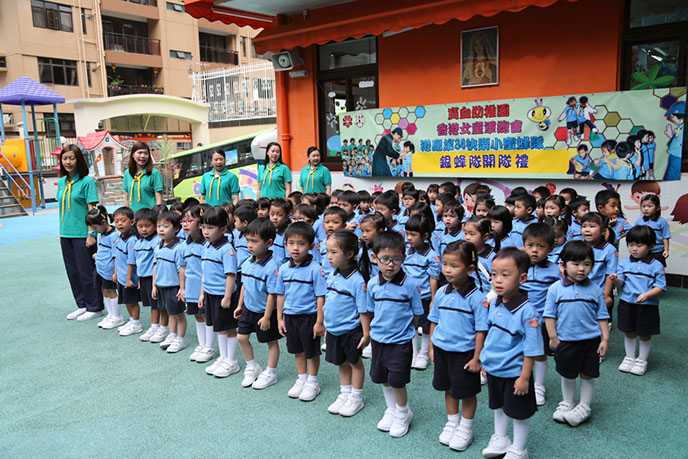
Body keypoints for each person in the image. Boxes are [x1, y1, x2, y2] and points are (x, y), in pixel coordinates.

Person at [480, 248, 543, 459]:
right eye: (494, 274)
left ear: (522, 278)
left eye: (505, 275)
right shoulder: (495, 302)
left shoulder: (527, 312)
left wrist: (524, 377)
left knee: (519, 412)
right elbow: (491, 336)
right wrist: (485, 362)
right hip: (495, 369)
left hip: (515, 373)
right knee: (498, 406)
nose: (497, 280)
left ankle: (519, 448)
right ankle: (500, 438)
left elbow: (531, 350)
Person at [429, 241, 488, 452]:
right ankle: (452, 422)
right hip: (443, 351)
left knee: (467, 392)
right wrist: (432, 347)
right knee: (448, 388)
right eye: (445, 264)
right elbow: (434, 321)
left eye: (454, 266)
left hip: (465, 354)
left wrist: (477, 358)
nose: (447, 270)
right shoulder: (441, 293)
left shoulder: (477, 298)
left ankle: (466, 428)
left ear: (470, 269)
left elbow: (481, 331)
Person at [545, 241, 610, 427]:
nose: (581, 269)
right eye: (576, 263)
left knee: (587, 374)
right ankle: (567, 403)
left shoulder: (596, 290)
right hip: (566, 341)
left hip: (590, 342)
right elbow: (549, 315)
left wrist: (605, 339)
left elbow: (602, 316)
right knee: (567, 373)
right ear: (563, 265)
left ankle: (584, 406)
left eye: (587, 264)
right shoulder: (555, 289)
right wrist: (553, 337)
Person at [367, 231, 423, 438]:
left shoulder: (410, 284)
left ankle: (402, 412)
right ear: (374, 258)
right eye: (385, 259)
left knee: (397, 380)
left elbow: (416, 313)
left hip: (400, 342)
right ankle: (391, 409)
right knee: (383, 378)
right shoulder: (372, 284)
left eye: (396, 259)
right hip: (378, 340)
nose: (390, 264)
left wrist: (406, 331)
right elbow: (371, 310)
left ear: (403, 258)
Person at [275, 222, 327, 401]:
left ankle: (313, 382)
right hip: (290, 317)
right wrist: (279, 318)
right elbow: (280, 295)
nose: (295, 248)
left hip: (309, 317)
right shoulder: (283, 269)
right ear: (285, 244)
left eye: (301, 244)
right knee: (297, 350)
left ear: (311, 246)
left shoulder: (316, 269)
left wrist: (319, 322)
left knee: (311, 351)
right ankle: (302, 378)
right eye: (291, 243)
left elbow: (321, 297)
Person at [323, 230, 371, 417]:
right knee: (341, 362)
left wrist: (366, 334)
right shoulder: (332, 274)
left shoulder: (357, 281)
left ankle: (356, 397)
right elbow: (329, 304)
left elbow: (363, 310)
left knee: (354, 362)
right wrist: (327, 327)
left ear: (350, 254)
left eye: (334, 252)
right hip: (334, 329)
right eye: (327, 251)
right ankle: (345, 393)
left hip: (351, 331)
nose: (329, 256)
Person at [611, 226, 666, 376]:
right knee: (629, 331)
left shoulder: (656, 265)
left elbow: (660, 286)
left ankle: (642, 360)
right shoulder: (624, 263)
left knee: (644, 333)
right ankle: (629, 357)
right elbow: (621, 283)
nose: (634, 249)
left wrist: (647, 295)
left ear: (651, 246)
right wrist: (615, 280)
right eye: (631, 245)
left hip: (647, 305)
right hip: (626, 303)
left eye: (639, 245)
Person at [234, 217, 282, 390]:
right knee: (241, 337)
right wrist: (240, 305)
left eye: (254, 241)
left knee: (271, 342)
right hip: (248, 308)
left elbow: (272, 294)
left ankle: (271, 372)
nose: (250, 245)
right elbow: (244, 285)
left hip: (265, 312)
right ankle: (252, 366)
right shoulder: (247, 262)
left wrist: (267, 317)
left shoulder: (272, 267)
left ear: (269, 243)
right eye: (248, 240)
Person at [58, 145, 102, 322]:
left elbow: (93, 210)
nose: (68, 162)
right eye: (65, 158)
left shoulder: (87, 182)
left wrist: (92, 233)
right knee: (73, 272)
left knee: (86, 271)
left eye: (72, 158)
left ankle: (95, 306)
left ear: (79, 160)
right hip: (66, 234)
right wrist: (61, 232)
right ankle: (82, 304)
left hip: (83, 234)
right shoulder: (62, 182)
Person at [520, 223, 561, 407]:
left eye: (541, 246)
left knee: (540, 354)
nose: (534, 250)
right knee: (519, 351)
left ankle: (538, 386)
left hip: (542, 321)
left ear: (551, 248)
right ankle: (520, 379)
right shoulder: (518, 266)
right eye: (530, 245)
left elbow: (558, 296)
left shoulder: (555, 270)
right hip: (519, 319)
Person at [199, 207, 241, 379]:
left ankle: (232, 361)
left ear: (223, 229)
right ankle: (224, 358)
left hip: (223, 295)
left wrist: (227, 297)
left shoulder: (227, 250)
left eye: (210, 228)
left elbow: (231, 275)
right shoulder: (206, 246)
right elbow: (205, 272)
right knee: (219, 328)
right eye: (203, 227)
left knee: (229, 328)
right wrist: (202, 294)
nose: (206, 232)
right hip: (210, 294)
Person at [403, 215, 440, 370]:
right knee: (411, 324)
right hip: (408, 297)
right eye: (407, 233)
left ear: (425, 236)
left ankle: (423, 353)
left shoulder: (431, 256)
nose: (409, 238)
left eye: (413, 234)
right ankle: (413, 353)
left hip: (424, 297)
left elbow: (433, 279)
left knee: (425, 326)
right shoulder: (406, 252)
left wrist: (433, 299)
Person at [181, 205, 216, 364]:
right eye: (183, 221)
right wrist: (182, 288)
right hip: (191, 287)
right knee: (197, 315)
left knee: (206, 316)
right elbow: (183, 268)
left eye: (190, 220)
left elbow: (206, 271)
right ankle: (202, 345)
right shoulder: (185, 244)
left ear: (201, 223)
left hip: (204, 288)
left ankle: (209, 347)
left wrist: (203, 292)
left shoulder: (206, 245)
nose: (185, 224)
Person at [152, 211, 187, 353]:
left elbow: (181, 270)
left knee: (179, 314)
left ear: (176, 229)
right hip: (161, 286)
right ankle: (172, 335)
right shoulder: (158, 245)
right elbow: (155, 266)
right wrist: (154, 285)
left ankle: (180, 338)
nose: (161, 229)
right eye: (159, 226)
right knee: (169, 312)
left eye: (166, 226)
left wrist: (182, 288)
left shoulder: (179, 248)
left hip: (174, 287)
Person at [133, 208, 166, 344]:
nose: (144, 229)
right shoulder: (139, 241)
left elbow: (157, 263)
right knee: (152, 304)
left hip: (154, 278)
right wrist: (139, 279)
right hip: (143, 278)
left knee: (158, 304)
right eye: (140, 226)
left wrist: (155, 282)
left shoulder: (157, 241)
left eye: (147, 226)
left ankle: (161, 328)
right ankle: (155, 326)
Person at [85, 206, 120, 328]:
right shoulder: (102, 234)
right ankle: (110, 315)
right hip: (100, 268)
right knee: (104, 291)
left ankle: (117, 317)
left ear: (104, 222)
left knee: (111, 292)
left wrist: (115, 272)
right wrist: (97, 255)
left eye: (95, 227)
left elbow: (116, 255)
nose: (95, 230)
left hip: (109, 271)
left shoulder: (114, 236)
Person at [112, 207, 142, 336]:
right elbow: (117, 257)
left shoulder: (132, 240)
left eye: (123, 220)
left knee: (132, 301)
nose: (119, 224)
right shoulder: (119, 238)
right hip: (121, 276)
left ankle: (136, 324)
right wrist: (115, 272)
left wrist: (129, 279)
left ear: (132, 222)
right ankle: (131, 320)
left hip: (129, 278)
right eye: (116, 221)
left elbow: (131, 261)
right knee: (126, 301)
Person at [122, 141, 163, 214]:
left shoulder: (154, 173)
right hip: (134, 217)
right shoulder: (127, 174)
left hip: (150, 217)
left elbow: (159, 200)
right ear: (133, 154)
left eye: (146, 153)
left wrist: (158, 215)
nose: (143, 156)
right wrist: (127, 216)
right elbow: (126, 198)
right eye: (139, 153)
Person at [634, 194, 671, 266]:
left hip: (658, 251)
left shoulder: (662, 221)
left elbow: (665, 237)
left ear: (657, 208)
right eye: (643, 206)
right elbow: (635, 236)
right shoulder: (639, 221)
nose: (646, 209)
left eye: (649, 206)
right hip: (642, 251)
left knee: (658, 268)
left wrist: (666, 250)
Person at [662, 101, 684, 181]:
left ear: (680, 116)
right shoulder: (681, 127)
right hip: (675, 158)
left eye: (672, 116)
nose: (672, 119)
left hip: (678, 159)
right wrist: (671, 136)